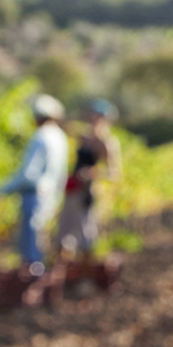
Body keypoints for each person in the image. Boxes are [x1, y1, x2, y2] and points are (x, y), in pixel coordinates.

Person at [0, 94, 69, 273]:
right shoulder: (60, 137)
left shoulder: (40, 137)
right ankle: (38, 274)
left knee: (30, 241)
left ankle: (34, 276)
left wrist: (0, 190)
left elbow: (28, 175)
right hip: (51, 194)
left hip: (35, 195)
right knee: (39, 235)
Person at [55, 98, 122, 263]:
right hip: (73, 189)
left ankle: (85, 271)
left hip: (87, 191)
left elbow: (115, 173)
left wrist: (93, 173)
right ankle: (66, 270)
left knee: (85, 230)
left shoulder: (107, 143)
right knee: (65, 229)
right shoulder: (83, 136)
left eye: (95, 116)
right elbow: (64, 126)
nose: (91, 119)